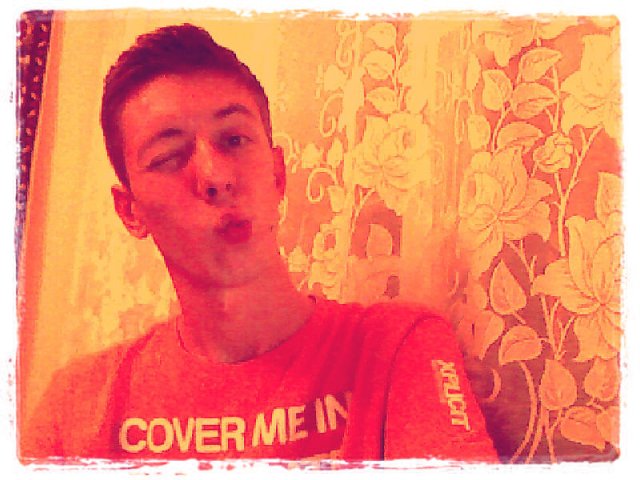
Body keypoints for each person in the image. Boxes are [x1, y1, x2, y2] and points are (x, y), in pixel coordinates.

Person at [21, 24, 497, 463]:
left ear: (278, 173)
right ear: (131, 212)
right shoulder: (77, 407)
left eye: (234, 139)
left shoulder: (396, 349)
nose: (214, 177)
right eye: (169, 156)